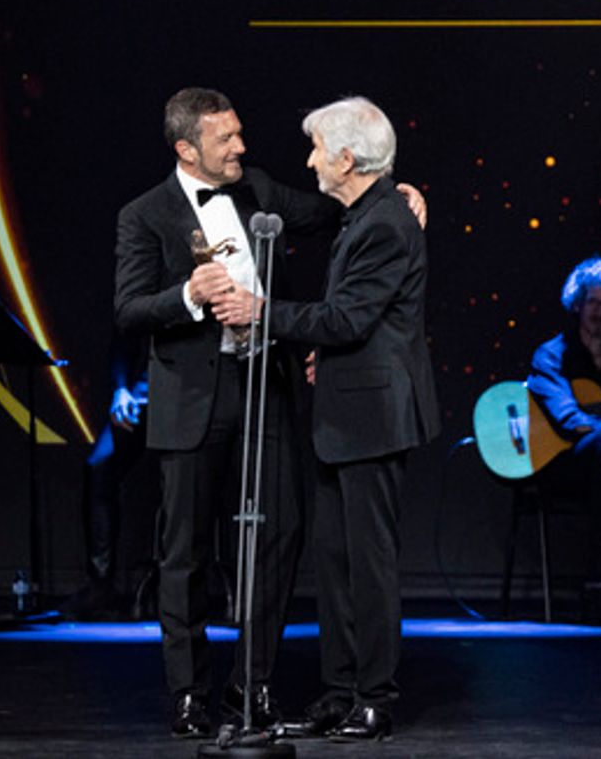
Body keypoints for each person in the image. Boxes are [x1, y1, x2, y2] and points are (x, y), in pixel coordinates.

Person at [114, 87, 426, 739]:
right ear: (186, 148)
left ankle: (248, 686)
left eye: (238, 132)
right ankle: (190, 694)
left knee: (278, 540)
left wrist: (401, 191)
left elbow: (336, 205)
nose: (241, 147)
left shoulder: (254, 187)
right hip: (192, 399)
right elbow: (128, 310)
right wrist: (186, 294)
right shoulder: (144, 215)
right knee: (186, 552)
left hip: (267, 391)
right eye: (225, 138)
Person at [225, 96, 438, 742]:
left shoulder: (384, 222)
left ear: (347, 157)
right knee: (337, 558)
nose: (311, 158)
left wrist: (260, 309)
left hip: (373, 415)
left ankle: (374, 695)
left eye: (318, 147)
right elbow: (356, 319)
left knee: (368, 564)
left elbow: (348, 317)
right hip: (346, 410)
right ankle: (342, 688)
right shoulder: (365, 213)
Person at [526, 256, 601, 596]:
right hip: (562, 465)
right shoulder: (552, 355)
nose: (600, 312)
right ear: (578, 304)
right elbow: (571, 421)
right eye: (594, 302)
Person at [62, 335, 150, 619]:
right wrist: (121, 388)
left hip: (192, 388)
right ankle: (101, 585)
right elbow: (125, 333)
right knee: (100, 466)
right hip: (145, 390)